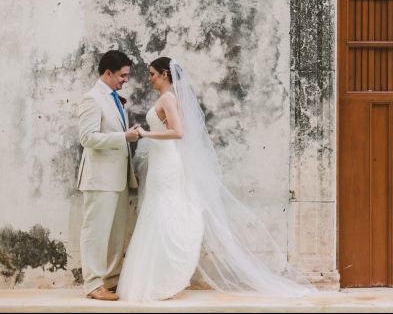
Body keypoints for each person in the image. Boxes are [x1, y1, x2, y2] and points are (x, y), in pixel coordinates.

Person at [116, 57, 314, 301]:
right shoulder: (168, 98)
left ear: (165, 75)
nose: (150, 78)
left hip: (167, 163)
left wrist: (145, 133)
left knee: (163, 211)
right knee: (157, 211)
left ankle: (160, 277)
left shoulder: (168, 98)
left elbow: (178, 132)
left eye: (153, 74)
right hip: (161, 161)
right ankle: (156, 276)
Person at [77, 50, 140, 301]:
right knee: (96, 231)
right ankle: (93, 284)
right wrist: (124, 137)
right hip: (100, 179)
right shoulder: (92, 99)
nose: (125, 80)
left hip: (118, 178)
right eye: (122, 75)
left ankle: (111, 281)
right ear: (108, 73)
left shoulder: (114, 98)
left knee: (116, 232)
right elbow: (87, 138)